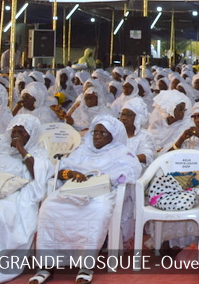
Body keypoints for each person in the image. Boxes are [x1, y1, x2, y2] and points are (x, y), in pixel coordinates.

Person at [29, 115, 141, 284]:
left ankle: (86, 266)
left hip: (101, 193)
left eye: (103, 133)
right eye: (95, 132)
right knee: (49, 206)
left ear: (113, 135)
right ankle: (46, 266)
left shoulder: (122, 153)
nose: (97, 136)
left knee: (97, 210)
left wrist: (102, 178)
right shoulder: (82, 150)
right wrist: (71, 173)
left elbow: (130, 173)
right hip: (73, 190)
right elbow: (59, 171)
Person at [0, 115, 52, 284]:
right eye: (14, 131)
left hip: (18, 192)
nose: (17, 134)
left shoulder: (38, 152)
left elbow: (37, 175)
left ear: (32, 134)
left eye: (22, 131)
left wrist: (21, 149)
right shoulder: (0, 149)